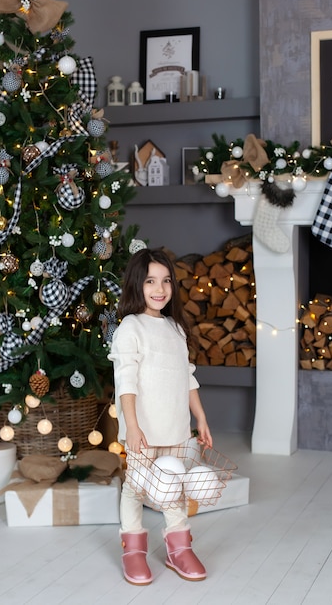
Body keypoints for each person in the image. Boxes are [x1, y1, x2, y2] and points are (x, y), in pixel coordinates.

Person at [108, 247, 213, 586]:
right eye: (151, 280)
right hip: (144, 429)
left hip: (175, 427)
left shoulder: (175, 329)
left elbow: (188, 378)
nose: (160, 288)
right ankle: (134, 550)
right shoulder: (129, 328)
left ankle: (178, 548)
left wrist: (201, 419)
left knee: (174, 488)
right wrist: (133, 427)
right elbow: (126, 382)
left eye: (166, 280)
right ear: (137, 285)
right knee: (137, 488)